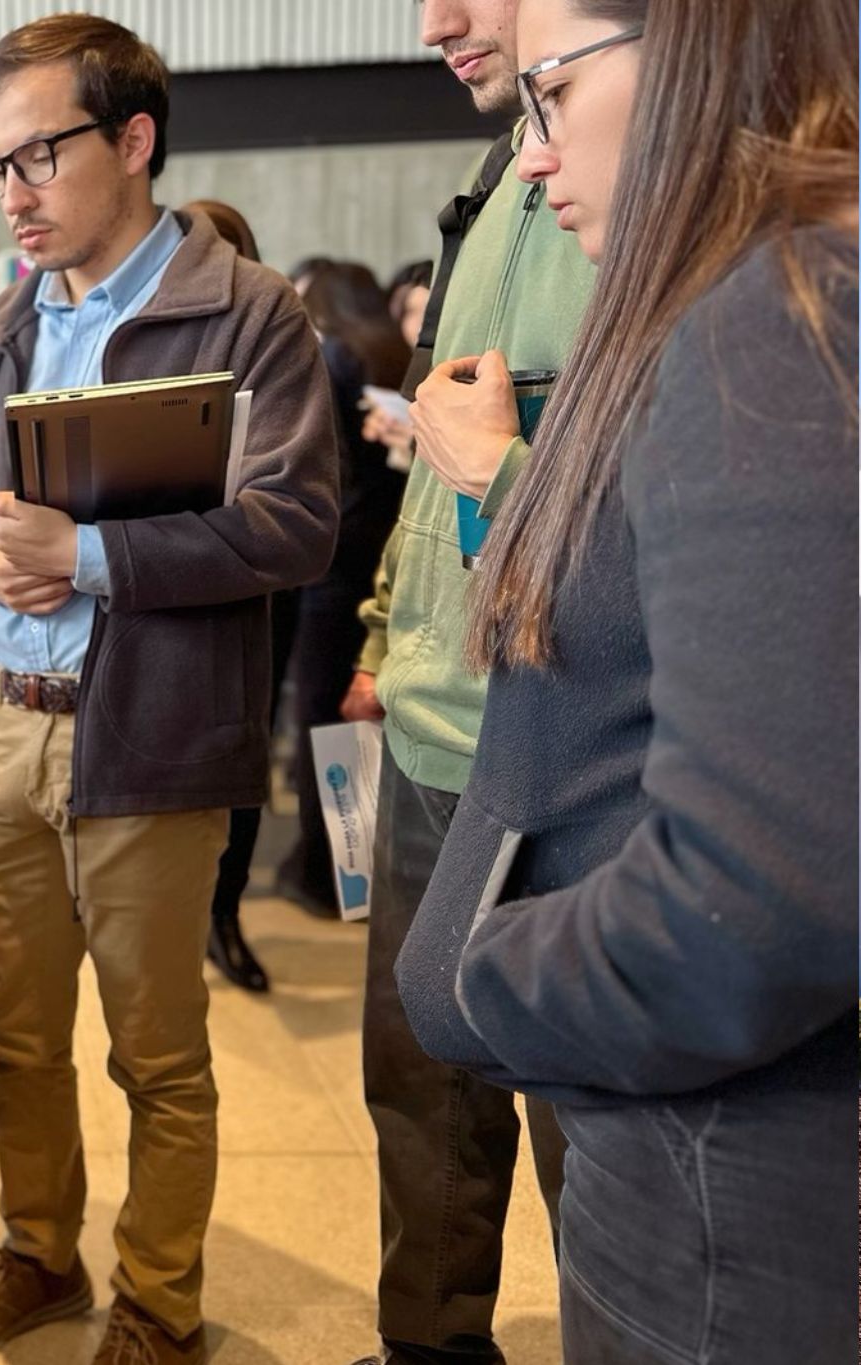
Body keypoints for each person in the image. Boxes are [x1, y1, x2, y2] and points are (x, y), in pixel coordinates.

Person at [397, 0, 856, 1359]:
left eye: (551, 94)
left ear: (697, 46)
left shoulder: (775, 315)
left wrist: (485, 976)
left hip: (734, 1172)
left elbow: (761, 900)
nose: (530, 157)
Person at [0, 16, 339, 1364]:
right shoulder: (1, 330)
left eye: (39, 155)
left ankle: (159, 1299)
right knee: (15, 1035)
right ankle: (42, 1255)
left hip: (150, 735)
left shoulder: (248, 314)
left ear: (134, 140)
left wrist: (89, 557)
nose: (15, 193)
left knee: (158, 1055)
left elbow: (298, 525)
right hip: (4, 727)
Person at [339, 2, 597, 1362]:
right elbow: (444, 452)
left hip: (567, 745)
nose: (435, 19)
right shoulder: (504, 173)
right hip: (435, 738)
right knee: (421, 1095)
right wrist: (387, 641)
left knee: (587, 1122)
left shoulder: (632, 188)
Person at [276, 262, 410, 912]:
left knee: (320, 720)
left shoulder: (331, 356)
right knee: (367, 720)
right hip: (388, 558)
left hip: (331, 562)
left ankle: (324, 875)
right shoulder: (395, 351)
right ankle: (363, 873)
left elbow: (317, 469)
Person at [179, 197, 283, 994]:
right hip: (166, 587)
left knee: (241, 762)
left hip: (255, 591)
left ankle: (224, 913)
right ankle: (188, 915)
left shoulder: (275, 334)